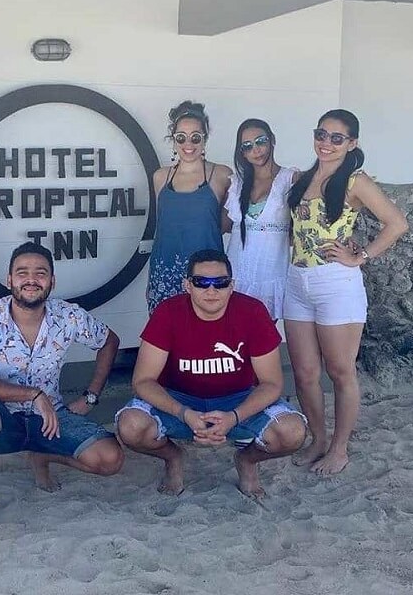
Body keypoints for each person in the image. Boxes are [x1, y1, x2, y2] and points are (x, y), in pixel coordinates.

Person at [0, 242, 124, 525]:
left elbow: (109, 341)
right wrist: (33, 395)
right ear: (9, 280)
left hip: (49, 418)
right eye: (22, 273)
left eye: (40, 273)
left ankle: (42, 456)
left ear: (52, 281)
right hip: (2, 420)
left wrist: (91, 396)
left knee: (110, 459)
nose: (31, 280)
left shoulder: (67, 316)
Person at [116, 249, 307, 498]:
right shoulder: (168, 312)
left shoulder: (252, 311)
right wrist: (184, 413)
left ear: (231, 285)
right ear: (187, 285)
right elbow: (143, 381)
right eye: (201, 282)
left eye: (220, 282)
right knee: (131, 426)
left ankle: (247, 460)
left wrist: (234, 417)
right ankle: (173, 456)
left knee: (292, 432)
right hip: (179, 399)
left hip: (238, 399)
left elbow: (271, 383)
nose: (211, 290)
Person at [284, 109, 408, 475]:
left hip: (336, 284)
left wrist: (362, 255)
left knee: (340, 371)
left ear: (351, 143)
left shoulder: (356, 181)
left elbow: (397, 223)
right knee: (305, 372)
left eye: (336, 138)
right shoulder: (303, 177)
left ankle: (339, 448)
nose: (326, 142)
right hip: (297, 281)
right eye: (321, 134)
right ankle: (318, 439)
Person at [146, 101, 232, 314]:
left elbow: (226, 223)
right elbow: (164, 228)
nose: (188, 144)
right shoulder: (160, 177)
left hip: (207, 277)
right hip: (164, 272)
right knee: (165, 329)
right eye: (181, 137)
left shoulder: (222, 175)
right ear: (173, 140)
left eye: (195, 137)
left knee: (207, 330)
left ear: (205, 139)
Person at [222, 119, 298, 320]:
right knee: (232, 334)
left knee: (262, 333)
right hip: (235, 274)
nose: (256, 150)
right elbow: (222, 226)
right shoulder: (236, 183)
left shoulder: (291, 179)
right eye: (247, 146)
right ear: (242, 153)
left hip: (270, 275)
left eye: (261, 141)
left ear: (272, 139)